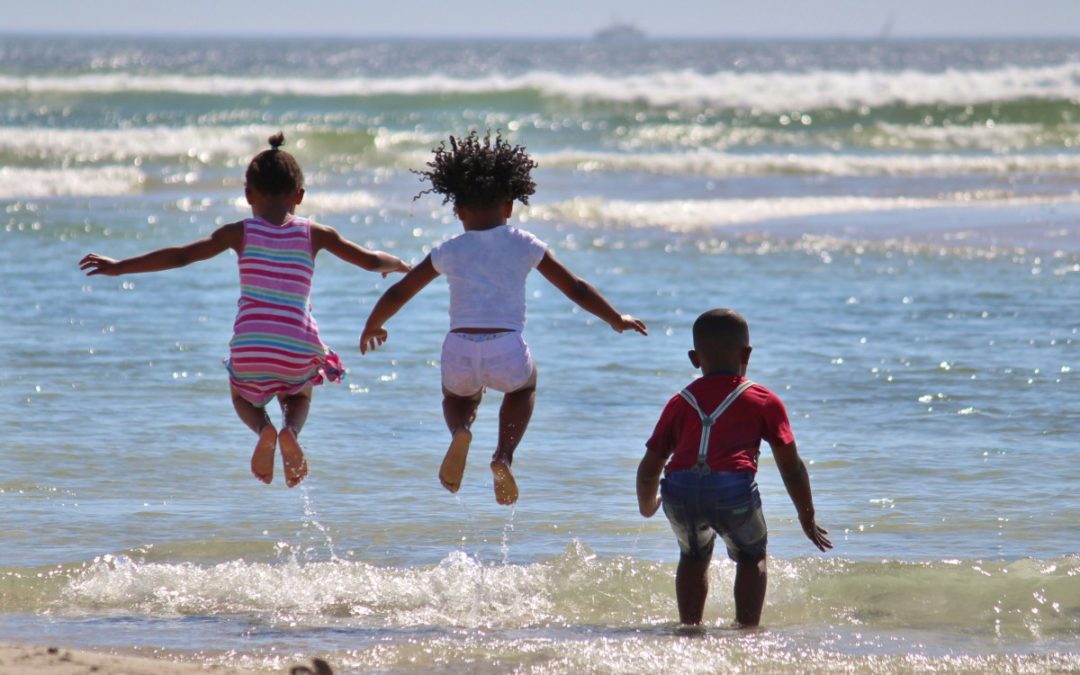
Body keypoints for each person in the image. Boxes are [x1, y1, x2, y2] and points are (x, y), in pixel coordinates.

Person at [80, 132, 410, 488]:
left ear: (248, 195)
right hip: (298, 343)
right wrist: (401, 264)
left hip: (251, 345)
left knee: (240, 395)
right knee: (299, 392)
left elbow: (180, 255)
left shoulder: (238, 233)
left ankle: (263, 429)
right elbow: (372, 260)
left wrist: (119, 266)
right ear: (299, 196)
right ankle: (290, 432)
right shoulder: (317, 233)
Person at [360, 131, 647, 505]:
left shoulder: (449, 249)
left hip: (459, 346)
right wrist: (615, 318)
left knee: (457, 396)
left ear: (458, 210)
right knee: (523, 388)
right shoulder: (523, 243)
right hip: (506, 348)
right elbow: (575, 287)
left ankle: (460, 430)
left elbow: (400, 291)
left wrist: (374, 323)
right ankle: (503, 456)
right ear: (509, 206)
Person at [636, 308, 831, 627]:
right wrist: (806, 515)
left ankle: (690, 629)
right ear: (747, 354)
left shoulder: (679, 402)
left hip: (679, 491)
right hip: (732, 491)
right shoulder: (763, 400)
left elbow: (649, 468)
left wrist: (648, 505)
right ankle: (747, 630)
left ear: (694, 358)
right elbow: (792, 468)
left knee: (693, 556)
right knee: (752, 555)